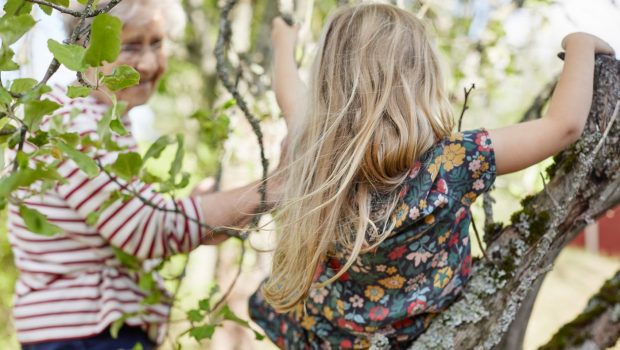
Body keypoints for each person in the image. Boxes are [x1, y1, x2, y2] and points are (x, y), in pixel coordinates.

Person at [249, 3, 616, 349]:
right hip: (421, 336)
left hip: (334, 336)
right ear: (420, 79)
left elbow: (288, 92)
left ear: (329, 81)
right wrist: (580, 44)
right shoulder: (453, 161)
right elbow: (562, 126)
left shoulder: (317, 155)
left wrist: (284, 41)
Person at [9, 0, 282, 349]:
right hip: (86, 334)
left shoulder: (105, 121)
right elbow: (145, 229)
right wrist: (276, 188)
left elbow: (130, 223)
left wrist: (200, 212)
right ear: (85, 47)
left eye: (157, 43)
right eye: (131, 46)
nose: (150, 63)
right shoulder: (72, 120)